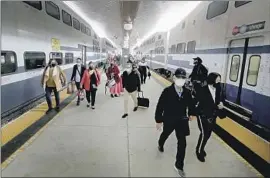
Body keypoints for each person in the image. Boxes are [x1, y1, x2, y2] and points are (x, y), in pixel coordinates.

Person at [155, 68, 197, 177]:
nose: (181, 80)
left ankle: (179, 166)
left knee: (182, 143)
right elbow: (160, 106)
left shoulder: (187, 92)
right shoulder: (167, 92)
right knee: (165, 134)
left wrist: (192, 113)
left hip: (182, 121)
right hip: (169, 119)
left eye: (183, 78)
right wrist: (158, 120)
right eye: (179, 77)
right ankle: (160, 143)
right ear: (174, 78)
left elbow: (191, 104)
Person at [195, 72, 225, 162]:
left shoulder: (218, 88)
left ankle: (201, 148)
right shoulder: (202, 89)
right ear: (212, 79)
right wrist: (216, 106)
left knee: (208, 134)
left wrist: (221, 104)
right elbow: (203, 103)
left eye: (219, 80)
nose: (219, 81)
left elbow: (218, 99)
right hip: (203, 114)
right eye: (217, 79)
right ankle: (199, 151)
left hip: (212, 115)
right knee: (204, 134)